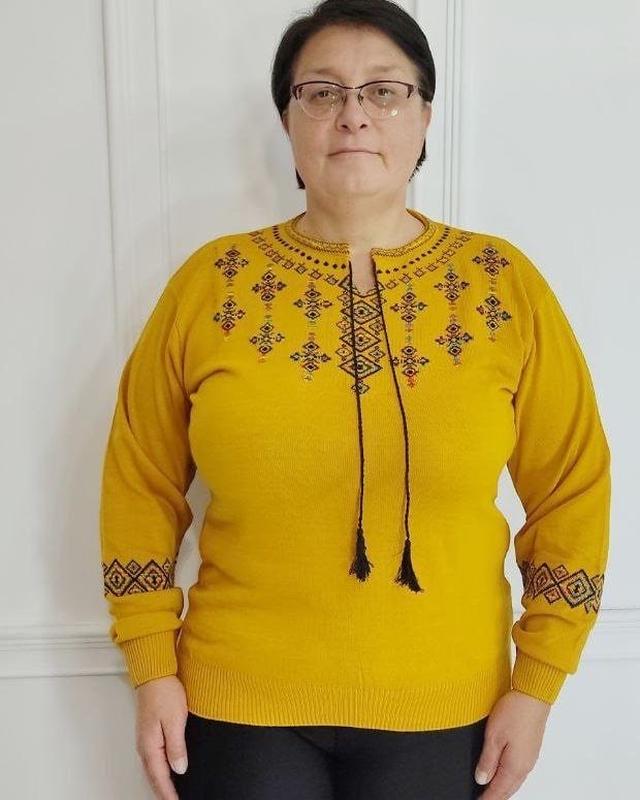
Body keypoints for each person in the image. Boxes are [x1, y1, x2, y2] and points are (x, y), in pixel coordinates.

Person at [99, 1, 611, 798]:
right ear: (288, 119)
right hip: (235, 703)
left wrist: (540, 680)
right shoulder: (210, 285)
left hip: (447, 707)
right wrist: (150, 664)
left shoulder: (501, 286)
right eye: (322, 92)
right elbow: (139, 482)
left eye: (384, 91)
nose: (353, 115)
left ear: (424, 116)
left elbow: (573, 489)